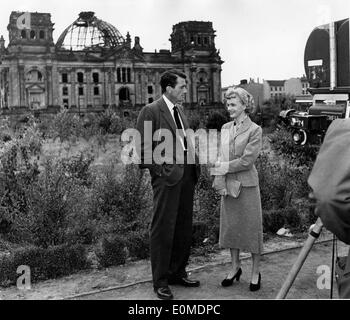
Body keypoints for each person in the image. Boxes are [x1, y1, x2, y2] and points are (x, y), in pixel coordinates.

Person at [136, 69, 201, 300]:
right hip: (167, 179)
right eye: (182, 86)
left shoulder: (180, 111)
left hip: (187, 177)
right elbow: (143, 150)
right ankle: (161, 281)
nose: (186, 90)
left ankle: (177, 272)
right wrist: (161, 173)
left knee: (183, 226)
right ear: (169, 88)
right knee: (163, 228)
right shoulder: (151, 111)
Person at [211, 86, 263, 291]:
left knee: (252, 229)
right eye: (227, 104)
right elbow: (221, 156)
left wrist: (224, 167)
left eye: (233, 104)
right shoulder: (225, 128)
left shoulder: (255, 130)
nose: (229, 108)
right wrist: (219, 177)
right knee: (232, 229)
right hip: (229, 186)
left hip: (247, 186)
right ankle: (235, 268)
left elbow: (247, 161)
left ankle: (256, 272)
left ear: (244, 105)